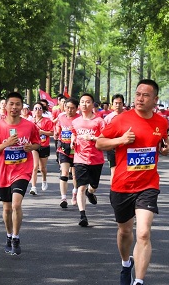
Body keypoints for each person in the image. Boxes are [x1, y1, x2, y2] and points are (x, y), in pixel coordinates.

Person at [96, 79, 169, 285]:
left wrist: (164, 149)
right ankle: (126, 263)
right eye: (138, 94)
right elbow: (100, 143)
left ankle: (139, 284)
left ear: (155, 99)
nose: (140, 98)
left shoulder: (161, 122)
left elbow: (161, 144)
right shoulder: (121, 120)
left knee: (143, 233)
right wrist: (121, 139)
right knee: (125, 232)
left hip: (148, 185)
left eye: (146, 95)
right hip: (122, 185)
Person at [0, 92, 41, 256]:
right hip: (4, 172)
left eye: (18, 104)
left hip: (22, 170)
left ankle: (16, 238)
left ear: (22, 106)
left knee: (16, 204)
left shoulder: (29, 125)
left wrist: (31, 147)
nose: (15, 107)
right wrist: (5, 144)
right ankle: (9, 235)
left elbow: (37, 143)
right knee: (6, 208)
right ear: (5, 106)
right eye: (11, 104)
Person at [72, 93, 106, 227]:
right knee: (81, 187)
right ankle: (82, 215)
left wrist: (93, 138)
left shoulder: (99, 121)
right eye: (82, 102)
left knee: (93, 186)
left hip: (96, 159)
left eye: (87, 102)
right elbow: (74, 133)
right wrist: (73, 140)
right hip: (80, 158)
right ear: (79, 105)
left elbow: (105, 138)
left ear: (92, 105)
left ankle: (90, 193)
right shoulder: (75, 122)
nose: (84, 104)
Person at [54, 98, 79, 208]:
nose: (69, 110)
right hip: (63, 149)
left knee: (75, 175)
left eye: (72, 108)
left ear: (77, 109)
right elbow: (58, 129)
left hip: (77, 150)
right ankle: (63, 198)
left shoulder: (79, 119)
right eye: (67, 107)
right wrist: (56, 133)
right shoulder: (61, 117)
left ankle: (75, 193)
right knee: (64, 173)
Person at [29, 102, 54, 196]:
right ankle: (33, 187)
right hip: (34, 146)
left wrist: (42, 132)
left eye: (40, 108)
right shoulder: (30, 121)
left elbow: (52, 133)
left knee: (42, 168)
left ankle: (44, 180)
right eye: (35, 108)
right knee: (35, 167)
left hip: (44, 146)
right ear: (33, 111)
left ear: (42, 110)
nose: (38, 110)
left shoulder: (47, 121)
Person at [104, 94, 125, 180]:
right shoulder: (108, 118)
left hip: (125, 147)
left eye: (120, 103)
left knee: (124, 171)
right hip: (112, 147)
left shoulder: (128, 116)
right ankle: (113, 187)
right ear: (112, 104)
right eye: (116, 103)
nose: (118, 105)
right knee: (114, 170)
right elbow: (103, 133)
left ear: (123, 104)